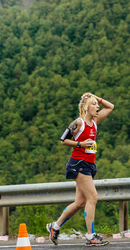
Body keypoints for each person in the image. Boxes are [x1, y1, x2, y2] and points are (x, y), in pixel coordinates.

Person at [47, 92, 114, 247]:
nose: (97, 107)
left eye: (97, 105)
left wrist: (96, 97)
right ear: (85, 107)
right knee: (93, 197)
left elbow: (110, 107)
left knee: (79, 202)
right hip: (78, 164)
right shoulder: (79, 122)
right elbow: (63, 140)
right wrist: (80, 144)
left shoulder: (95, 121)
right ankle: (90, 236)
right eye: (94, 104)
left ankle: (54, 227)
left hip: (89, 164)